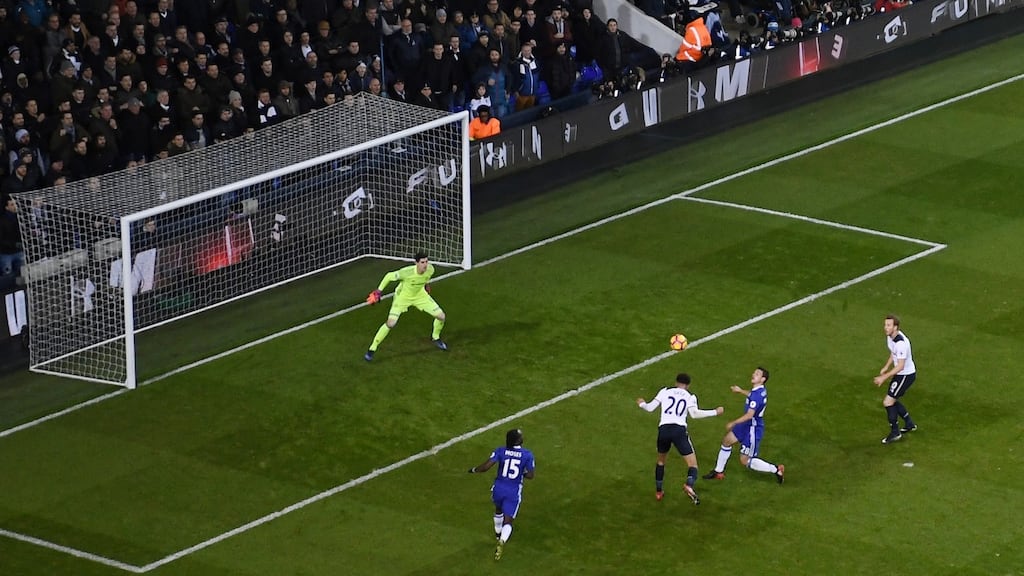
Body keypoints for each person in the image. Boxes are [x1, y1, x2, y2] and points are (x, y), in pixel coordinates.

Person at [637, 373, 724, 503]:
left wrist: (642, 404)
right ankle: (689, 485)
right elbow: (694, 414)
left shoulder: (665, 391)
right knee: (692, 464)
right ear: (688, 385)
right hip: (678, 431)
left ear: (676, 382)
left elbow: (650, 408)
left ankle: (659, 491)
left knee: (661, 461)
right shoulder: (690, 396)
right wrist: (715, 412)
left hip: (664, 430)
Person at [703, 367, 785, 483]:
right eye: (754, 372)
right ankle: (718, 471)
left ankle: (776, 469)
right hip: (746, 425)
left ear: (762, 379)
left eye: (757, 374)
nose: (753, 374)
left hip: (752, 429)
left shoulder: (757, 396)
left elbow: (749, 415)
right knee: (727, 441)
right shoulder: (759, 391)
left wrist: (733, 422)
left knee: (745, 460)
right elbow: (751, 395)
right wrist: (741, 391)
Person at [364, 251, 447, 360]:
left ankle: (435, 337)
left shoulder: (431, 269)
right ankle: (372, 349)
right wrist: (379, 291)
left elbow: (425, 278)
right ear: (416, 263)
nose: (425, 265)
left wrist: (426, 285)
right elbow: (389, 276)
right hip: (402, 297)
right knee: (391, 323)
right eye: (422, 262)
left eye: (426, 261)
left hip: (420, 295)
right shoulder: (406, 272)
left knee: (441, 316)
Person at [468, 428, 536, 560]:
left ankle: (498, 534)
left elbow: (486, 467)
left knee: (498, 509)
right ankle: (502, 541)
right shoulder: (527, 454)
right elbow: (530, 476)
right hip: (513, 491)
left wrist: (474, 470)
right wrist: (521, 472)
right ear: (518, 441)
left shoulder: (501, 450)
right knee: (508, 520)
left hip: (498, 488)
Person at [873, 314, 917, 444]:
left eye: (888, 325)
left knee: (888, 402)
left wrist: (883, 378)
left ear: (895, 327)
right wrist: (886, 366)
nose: (885, 328)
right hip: (901, 373)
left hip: (905, 375)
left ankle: (895, 432)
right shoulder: (891, 338)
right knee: (892, 399)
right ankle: (909, 423)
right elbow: (893, 353)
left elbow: (901, 366)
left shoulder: (901, 343)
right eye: (885, 325)